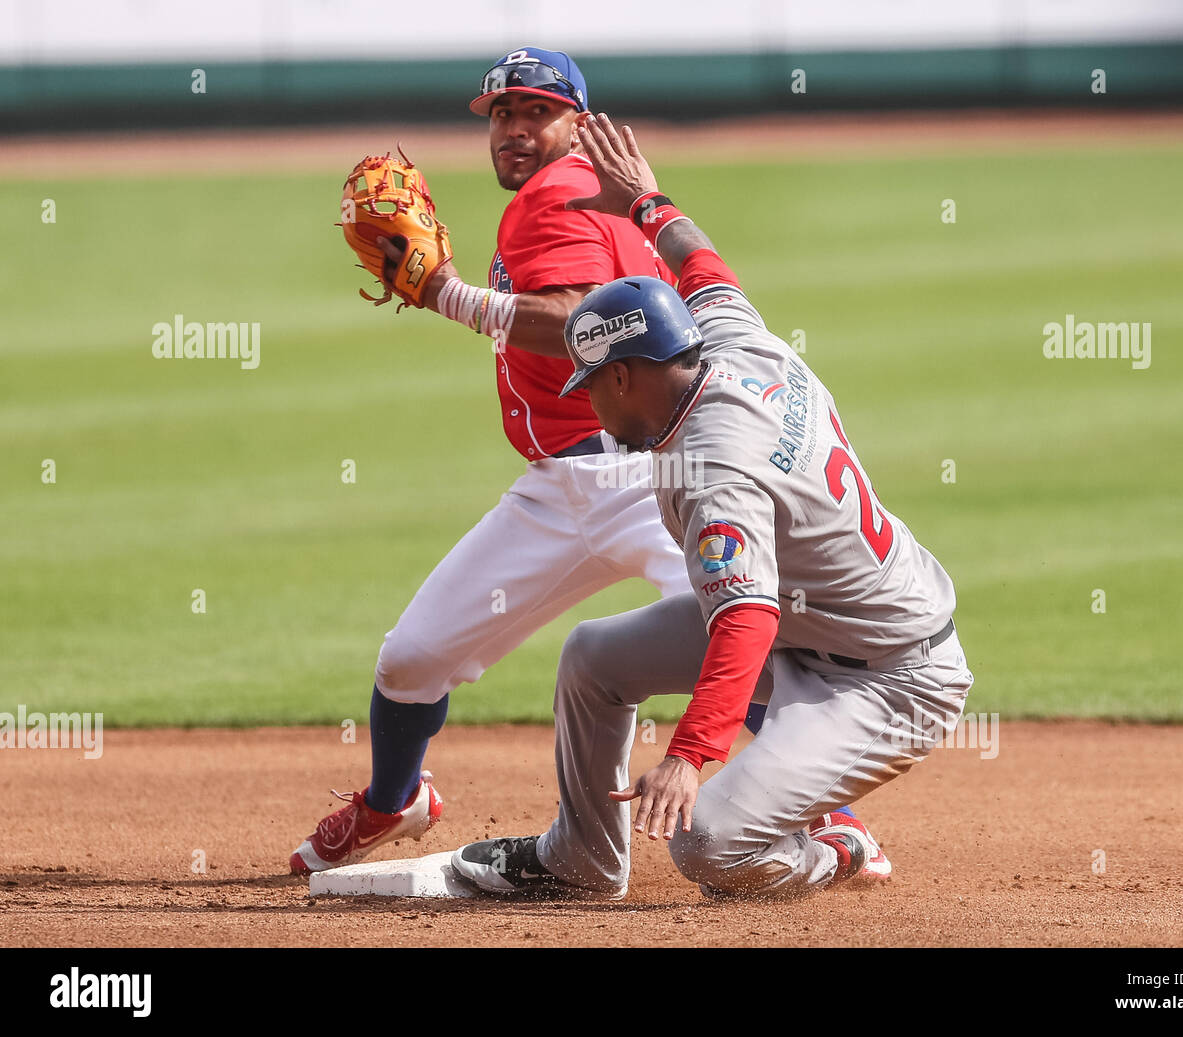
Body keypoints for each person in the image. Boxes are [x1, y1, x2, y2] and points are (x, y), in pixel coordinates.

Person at [450, 114, 973, 900]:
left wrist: (689, 754)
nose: (586, 404)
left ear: (625, 376)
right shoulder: (732, 342)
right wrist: (647, 202)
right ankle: (582, 856)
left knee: (710, 847)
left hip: (892, 679)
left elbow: (745, 620)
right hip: (816, 621)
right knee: (593, 659)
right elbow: (703, 265)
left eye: (589, 383)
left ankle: (834, 853)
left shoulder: (712, 466)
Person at [290, 48, 691, 875]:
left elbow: (584, 320)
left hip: (645, 478)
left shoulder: (554, 197)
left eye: (536, 113)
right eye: (503, 114)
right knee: (412, 658)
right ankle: (394, 801)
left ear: (576, 122)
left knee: (732, 620)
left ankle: (829, 817)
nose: (514, 130)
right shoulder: (596, 192)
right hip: (560, 487)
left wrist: (448, 294)